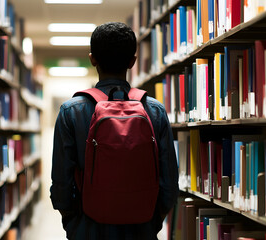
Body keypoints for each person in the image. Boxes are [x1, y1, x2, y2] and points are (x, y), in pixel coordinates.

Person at [50, 22, 179, 239]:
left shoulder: (70, 111)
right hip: (141, 228)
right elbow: (169, 183)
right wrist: (151, 223)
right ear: (132, 61)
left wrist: (74, 224)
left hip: (88, 228)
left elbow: (62, 183)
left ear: (92, 59)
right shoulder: (155, 111)